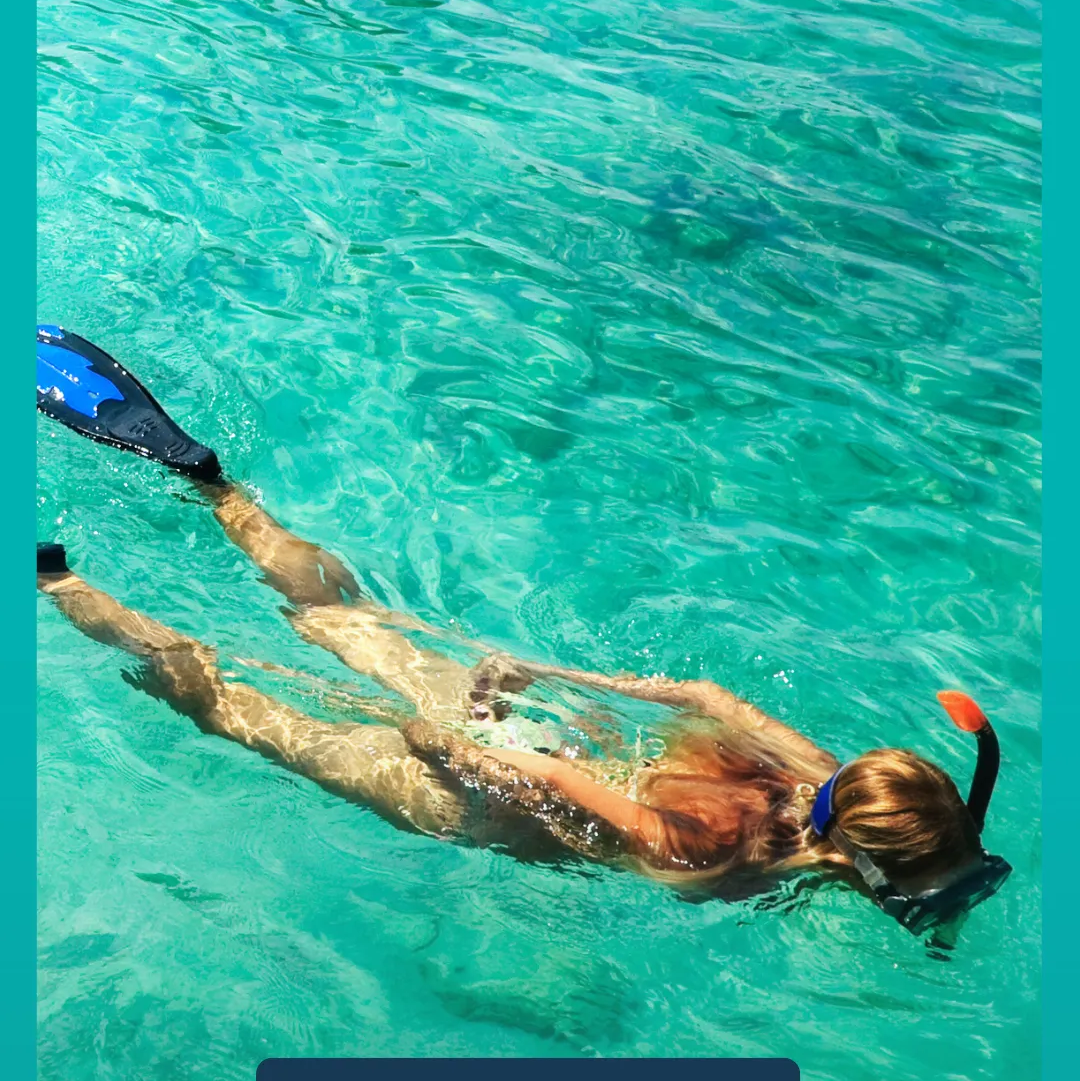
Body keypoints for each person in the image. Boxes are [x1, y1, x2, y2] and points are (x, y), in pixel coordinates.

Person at [36, 326, 1011, 932]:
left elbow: (703, 696)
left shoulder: (820, 773)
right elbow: (548, 790)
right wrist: (447, 751)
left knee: (338, 616)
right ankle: (53, 574)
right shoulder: (715, 859)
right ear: (866, 866)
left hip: (551, 721)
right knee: (225, 702)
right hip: (477, 789)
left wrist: (534, 674)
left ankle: (214, 487)